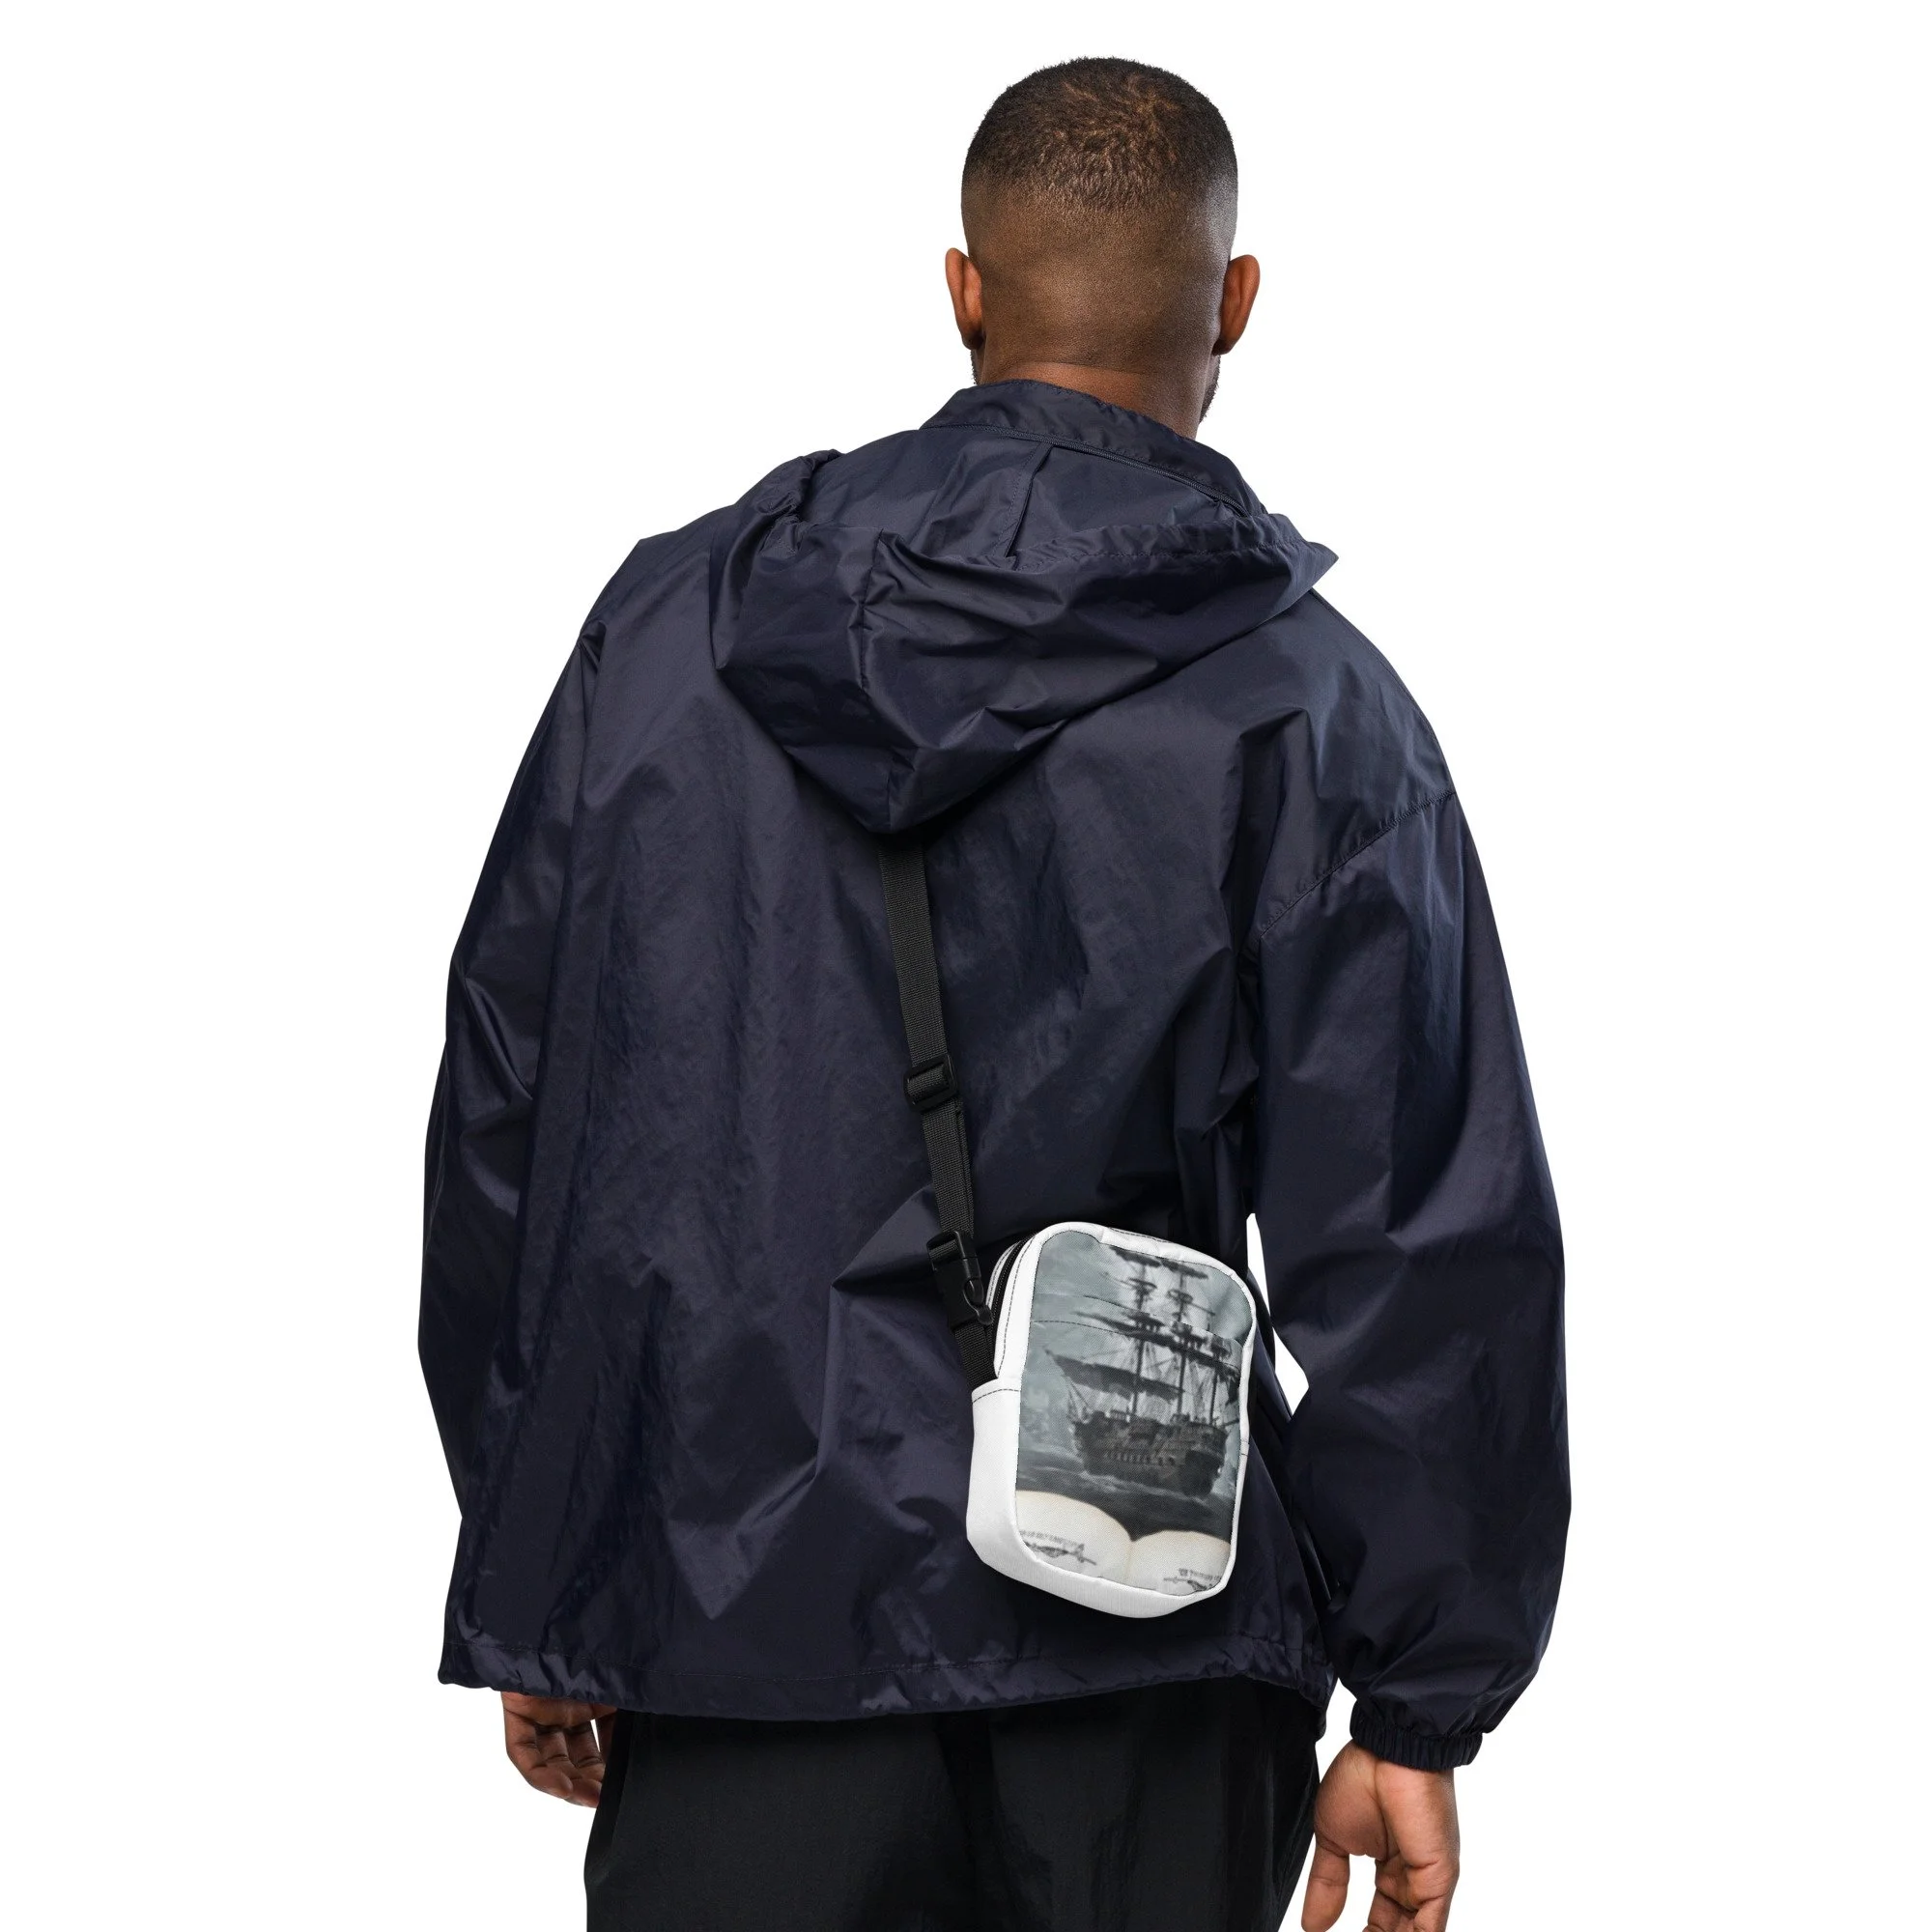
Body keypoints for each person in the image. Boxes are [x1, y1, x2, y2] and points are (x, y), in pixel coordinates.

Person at [420, 56, 1567, 1932]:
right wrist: (1419, 1700)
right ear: (1235, 301)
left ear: (963, 288)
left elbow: (514, 1116)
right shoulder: (1310, 703)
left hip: (737, 1624)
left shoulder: (671, 632)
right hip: (1150, 1636)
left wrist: (553, 1562)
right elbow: (1424, 1233)